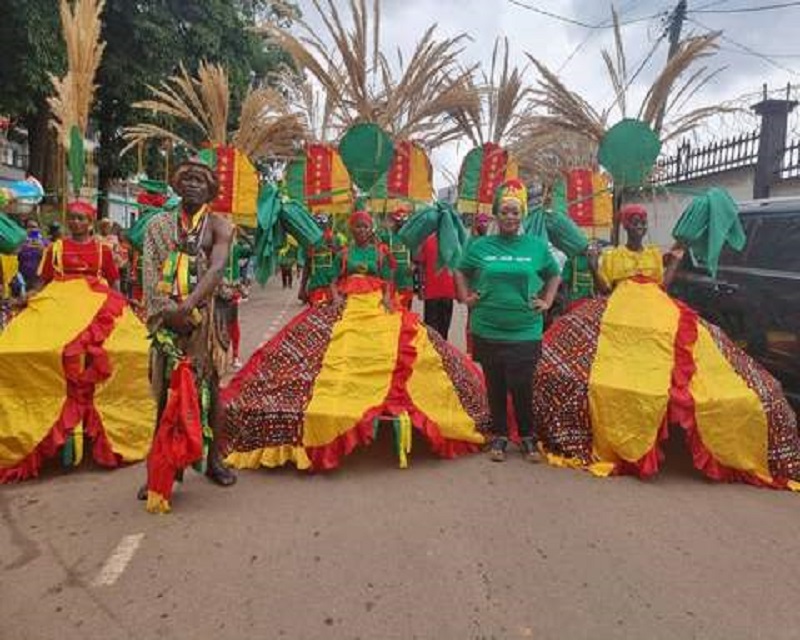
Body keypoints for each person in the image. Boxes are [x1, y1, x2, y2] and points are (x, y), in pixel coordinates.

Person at [534, 204, 800, 491]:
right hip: (620, 314)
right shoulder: (614, 255)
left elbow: (664, 284)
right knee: (622, 370)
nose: (639, 226)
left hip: (660, 312)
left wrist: (674, 260)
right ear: (624, 225)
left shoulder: (653, 254)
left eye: (642, 221)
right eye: (633, 221)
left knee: (691, 365)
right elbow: (605, 289)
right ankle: (624, 432)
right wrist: (594, 261)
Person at [222, 208, 489, 473]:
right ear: (352, 231)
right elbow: (336, 280)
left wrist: (387, 300)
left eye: (365, 227)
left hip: (374, 302)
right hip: (348, 302)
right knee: (332, 349)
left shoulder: (382, 253)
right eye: (357, 228)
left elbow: (387, 280)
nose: (361, 232)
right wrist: (336, 296)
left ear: (370, 229)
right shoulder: (344, 253)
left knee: (404, 346)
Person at [0, 200, 155, 482]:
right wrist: (28, 299)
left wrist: (126, 306)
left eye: (82, 219)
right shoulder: (54, 249)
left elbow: (115, 283)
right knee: (19, 350)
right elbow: (40, 284)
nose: (76, 223)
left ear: (91, 222)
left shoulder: (103, 250)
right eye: (72, 218)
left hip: (98, 306)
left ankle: (114, 428)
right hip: (58, 306)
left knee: (128, 350)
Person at [141, 158, 236, 512]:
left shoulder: (219, 226)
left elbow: (216, 268)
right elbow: (149, 274)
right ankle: (161, 469)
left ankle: (214, 460)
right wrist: (169, 312)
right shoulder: (158, 226)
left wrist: (189, 307)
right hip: (167, 319)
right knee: (165, 391)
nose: (194, 184)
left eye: (202, 180)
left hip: (202, 319)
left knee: (209, 390)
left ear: (211, 190)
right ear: (178, 186)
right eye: (188, 179)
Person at [455, 180, 562, 463]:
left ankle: (527, 437)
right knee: (495, 383)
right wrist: (466, 296)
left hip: (525, 328)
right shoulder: (480, 246)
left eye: (515, 212)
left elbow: (554, 274)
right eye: (504, 212)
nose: (510, 217)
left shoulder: (536, 247)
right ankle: (500, 436)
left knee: (521, 381)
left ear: (522, 214)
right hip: (487, 325)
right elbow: (461, 270)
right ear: (496, 215)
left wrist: (547, 302)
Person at [416, 232, 456, 340]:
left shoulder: (453, 241)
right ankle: (435, 354)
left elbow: (458, 266)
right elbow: (420, 266)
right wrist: (420, 288)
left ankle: (440, 354)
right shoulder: (427, 240)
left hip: (446, 292)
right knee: (432, 330)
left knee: (441, 330)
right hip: (433, 292)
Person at [298, 213, 343, 306]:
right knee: (316, 316)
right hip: (315, 288)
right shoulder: (309, 242)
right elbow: (307, 266)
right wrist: (302, 288)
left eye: (323, 225)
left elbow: (343, 262)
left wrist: (335, 251)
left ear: (327, 225)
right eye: (318, 226)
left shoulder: (335, 239)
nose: (321, 228)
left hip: (332, 288)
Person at [380, 206, 415, 309]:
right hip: (391, 282)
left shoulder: (411, 238)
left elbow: (416, 258)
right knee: (391, 313)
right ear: (393, 221)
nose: (401, 224)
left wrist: (413, 265)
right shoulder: (387, 237)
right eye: (398, 221)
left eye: (404, 222)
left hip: (406, 281)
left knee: (406, 313)